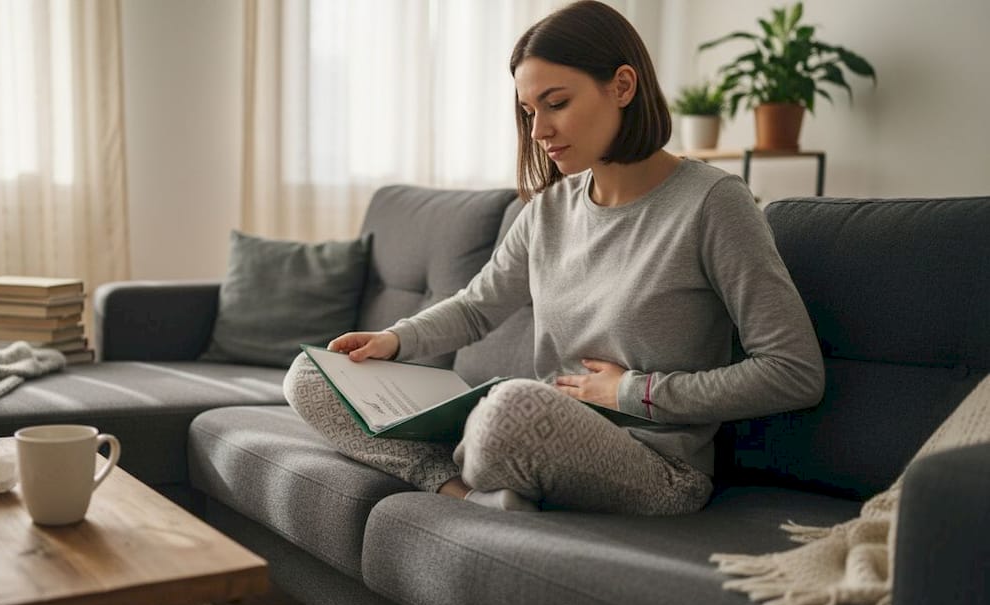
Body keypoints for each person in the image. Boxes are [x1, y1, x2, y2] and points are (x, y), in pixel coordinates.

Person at [283, 0, 824, 514]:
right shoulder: (550, 209)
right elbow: (477, 307)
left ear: (622, 86)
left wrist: (636, 391)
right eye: (529, 110)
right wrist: (393, 341)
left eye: (557, 104)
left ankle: (488, 469)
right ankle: (463, 495)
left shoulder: (714, 203)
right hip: (534, 432)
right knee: (312, 376)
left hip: (654, 467)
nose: (539, 130)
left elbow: (793, 372)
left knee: (511, 409)